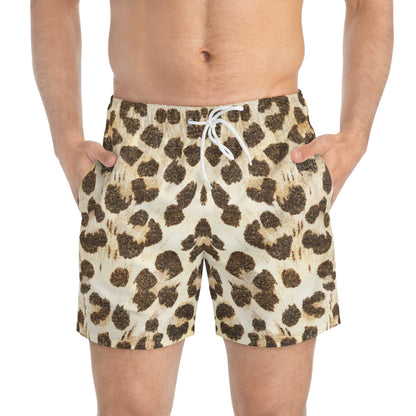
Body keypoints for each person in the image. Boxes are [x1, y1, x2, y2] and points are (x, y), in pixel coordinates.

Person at [30, 1, 393, 415]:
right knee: (128, 408)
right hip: (141, 148)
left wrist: (356, 134)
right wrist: (66, 138)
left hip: (271, 150)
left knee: (275, 410)